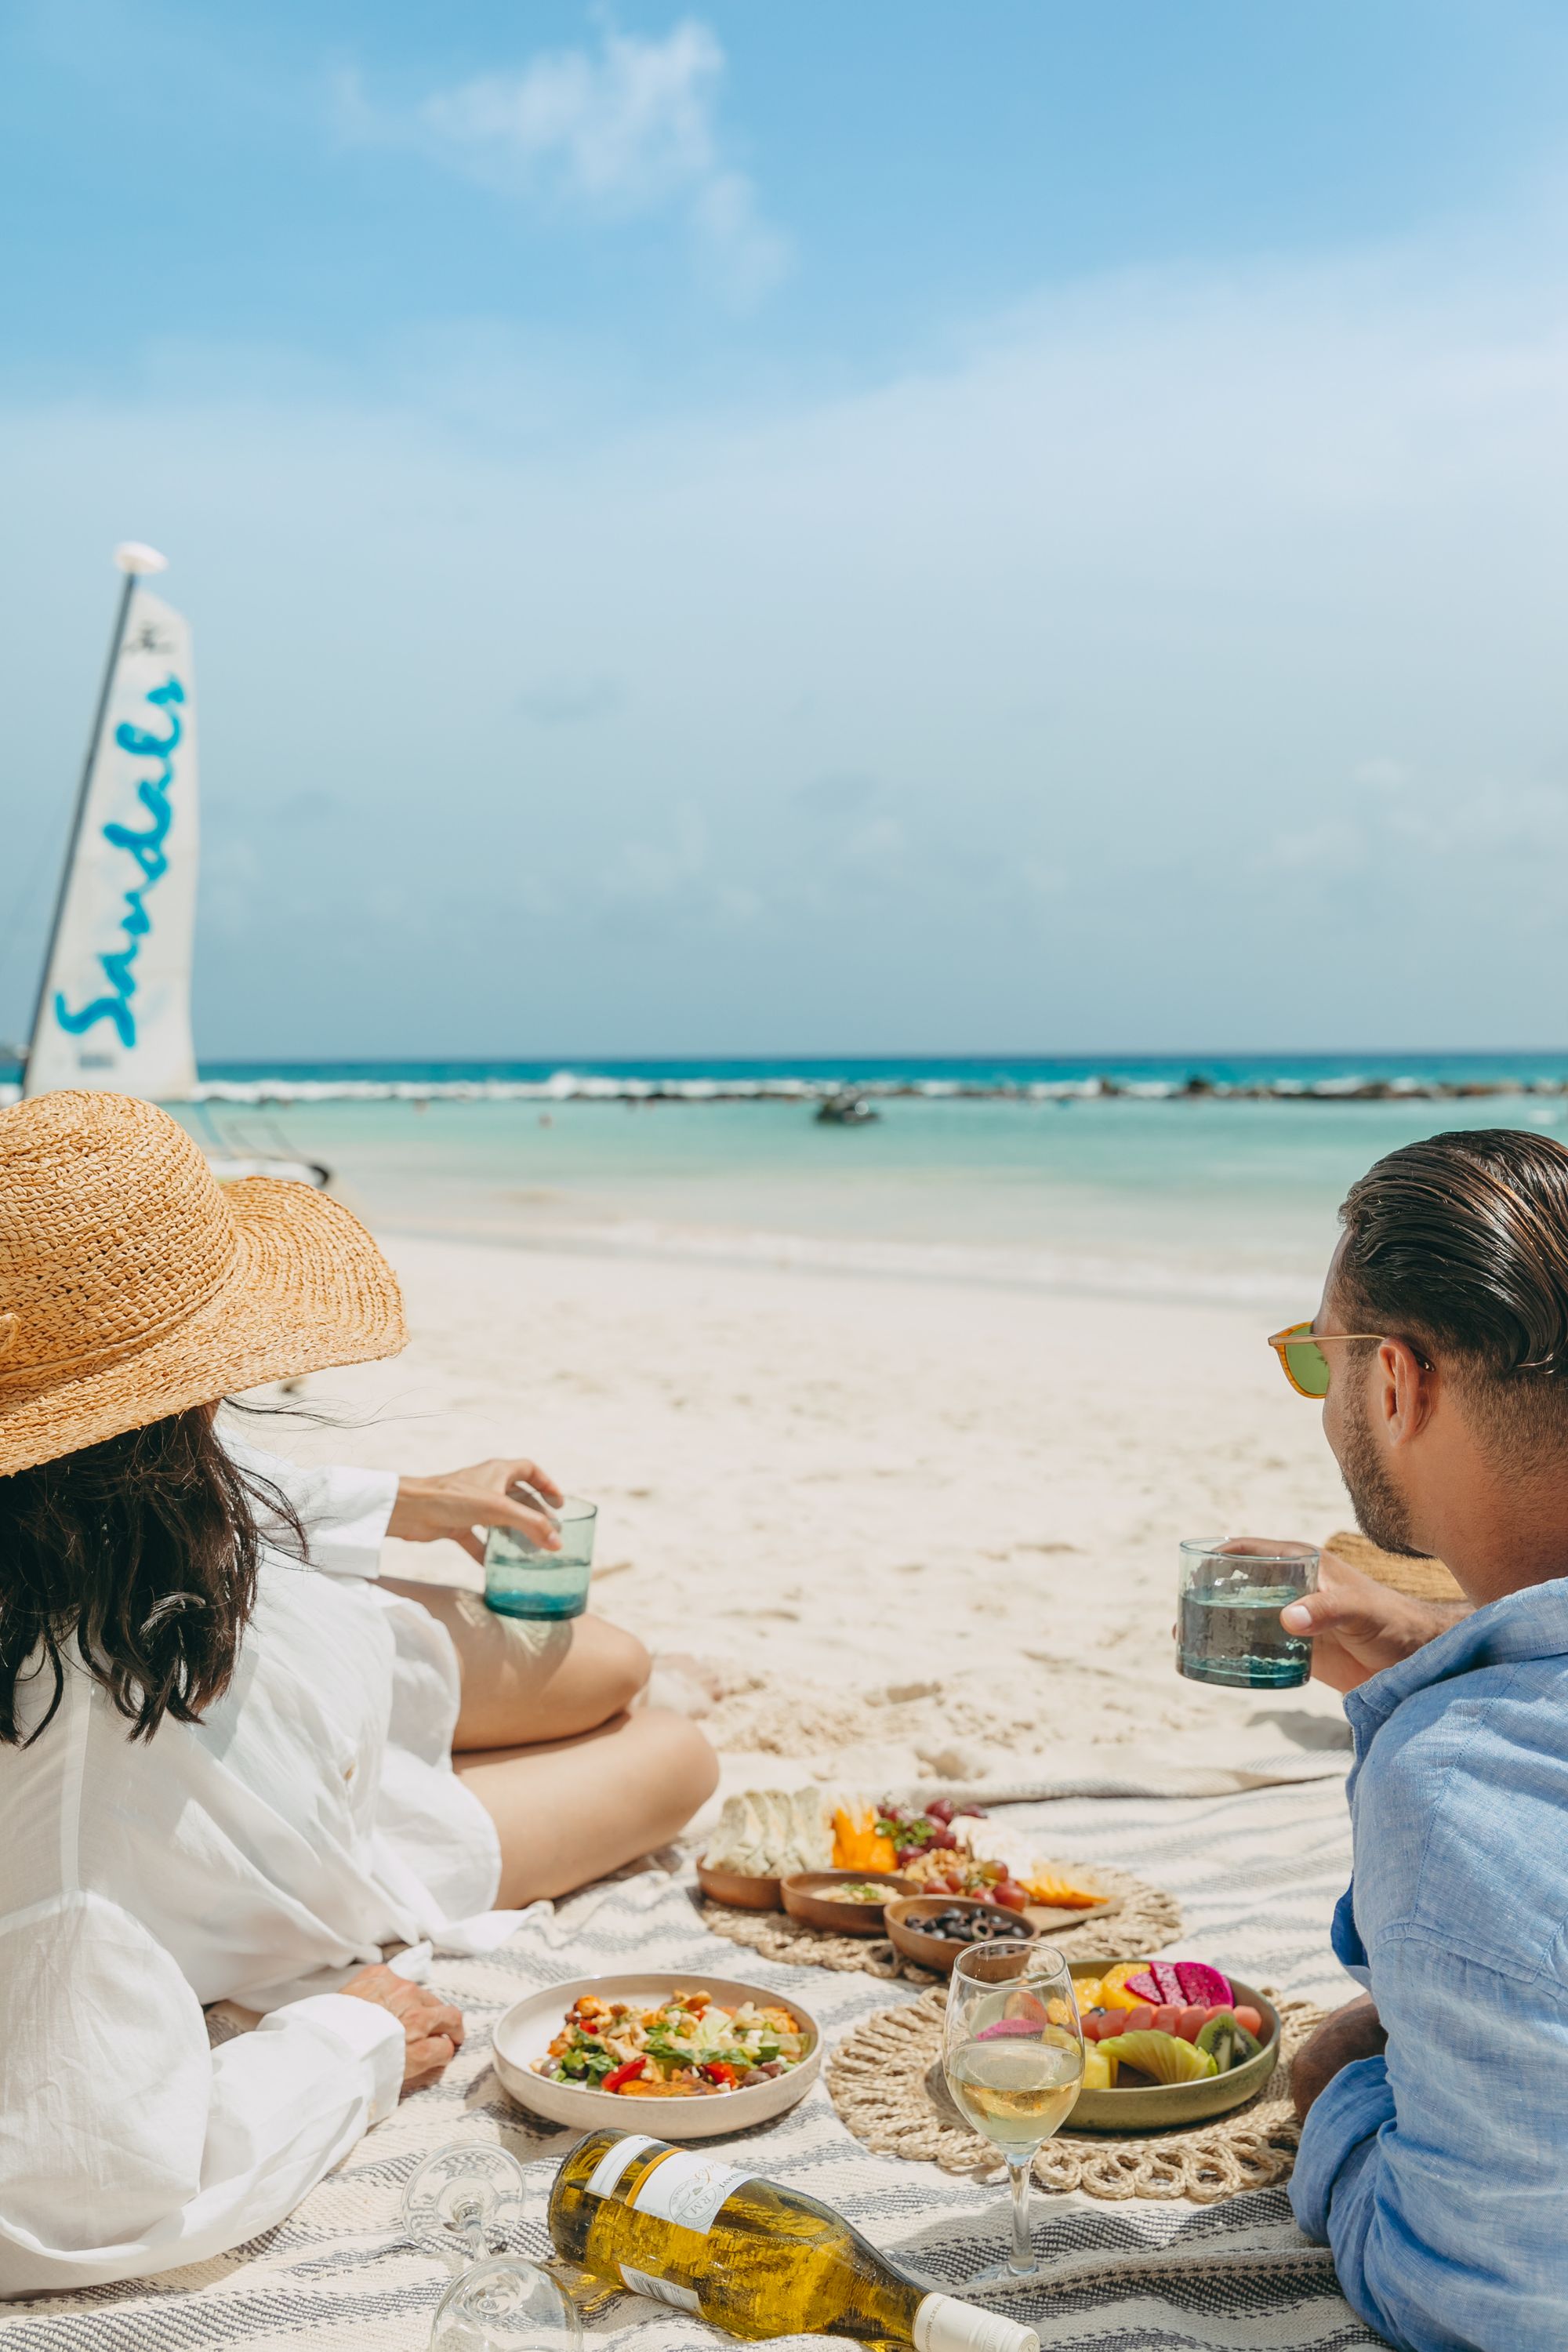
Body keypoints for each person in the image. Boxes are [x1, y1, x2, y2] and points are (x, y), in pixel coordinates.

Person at [0, 1091, 717, 2295]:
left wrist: (407, 1498)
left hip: (260, 1662)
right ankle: (464, 1777)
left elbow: (115, 1459)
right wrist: (354, 2038)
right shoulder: (64, 1835)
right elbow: (72, 2200)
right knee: (677, 1753)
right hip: (293, 1841)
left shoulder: (74, 1506)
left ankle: (464, 1734)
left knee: (616, 1663)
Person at [1261, 1130, 1568, 2350]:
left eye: (1315, 1361)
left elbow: (1487, 2301)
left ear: (1393, 1380)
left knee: (1337, 2048)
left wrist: (1333, 2107)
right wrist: (1445, 1642)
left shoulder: (1455, 1791)